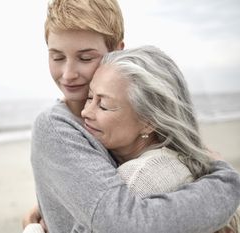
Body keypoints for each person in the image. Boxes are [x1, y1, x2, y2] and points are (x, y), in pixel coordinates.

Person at [22, 0, 240, 232]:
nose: (68, 75)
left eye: (85, 58)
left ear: (116, 51)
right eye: (57, 58)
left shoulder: (140, 117)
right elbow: (124, 221)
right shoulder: (56, 127)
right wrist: (226, 181)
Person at [80, 45, 239, 233]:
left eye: (104, 105)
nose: (85, 112)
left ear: (148, 121)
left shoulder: (137, 179)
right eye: (90, 97)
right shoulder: (175, 160)